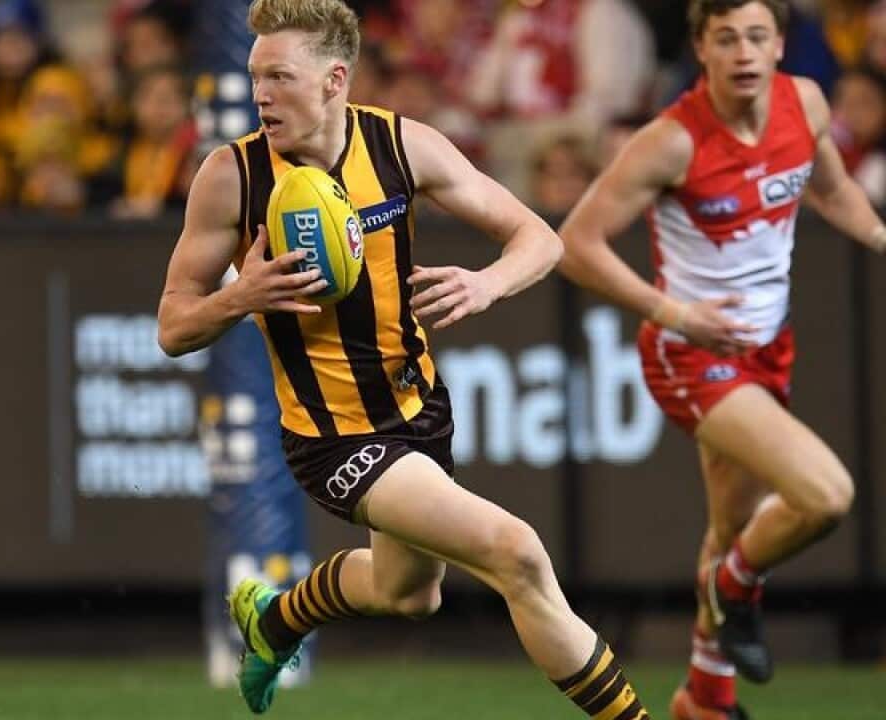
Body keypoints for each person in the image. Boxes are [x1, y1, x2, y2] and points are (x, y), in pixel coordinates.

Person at [157, 1, 652, 717]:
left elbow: (539, 239)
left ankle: (275, 619)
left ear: (334, 79)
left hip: (419, 409)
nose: (260, 94)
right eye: (254, 75)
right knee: (517, 553)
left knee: (409, 595)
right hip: (333, 438)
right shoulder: (231, 177)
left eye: (279, 77)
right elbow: (173, 327)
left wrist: (486, 283)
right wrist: (242, 297)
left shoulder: (402, 145)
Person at [558, 2, 886, 719]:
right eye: (726, 38)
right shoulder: (670, 141)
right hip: (691, 354)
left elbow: (831, 189)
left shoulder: (805, 102)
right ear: (701, 48)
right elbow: (576, 243)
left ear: (779, 46)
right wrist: (676, 315)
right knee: (825, 495)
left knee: (732, 529)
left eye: (757, 36)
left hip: (770, 346)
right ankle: (733, 590)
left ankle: (706, 698)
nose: (744, 52)